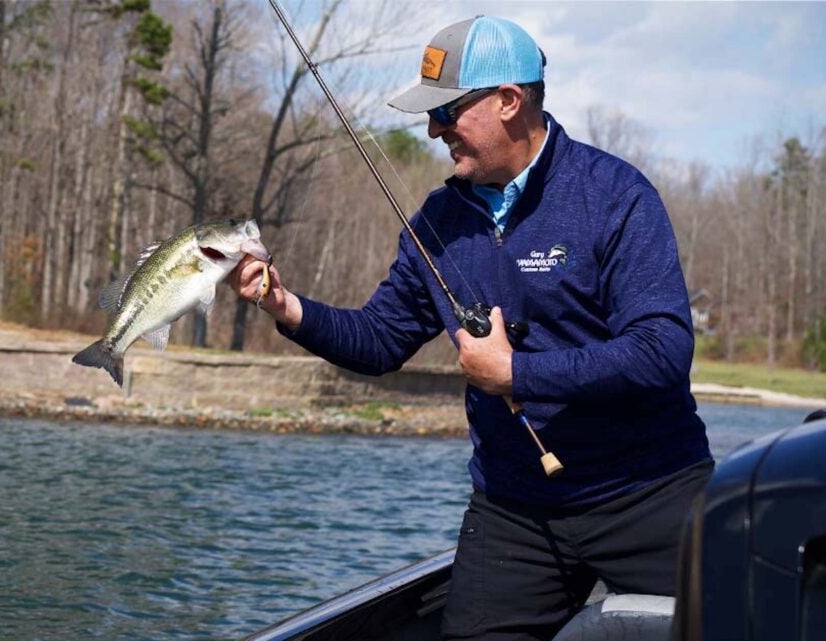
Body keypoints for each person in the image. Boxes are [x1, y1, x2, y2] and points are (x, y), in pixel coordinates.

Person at [230, 15, 712, 640]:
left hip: (649, 491)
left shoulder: (616, 196)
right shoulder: (438, 220)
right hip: (515, 508)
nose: (434, 130)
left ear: (509, 101)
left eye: (447, 111)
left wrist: (515, 373)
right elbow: (379, 341)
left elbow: (662, 350)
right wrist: (284, 306)